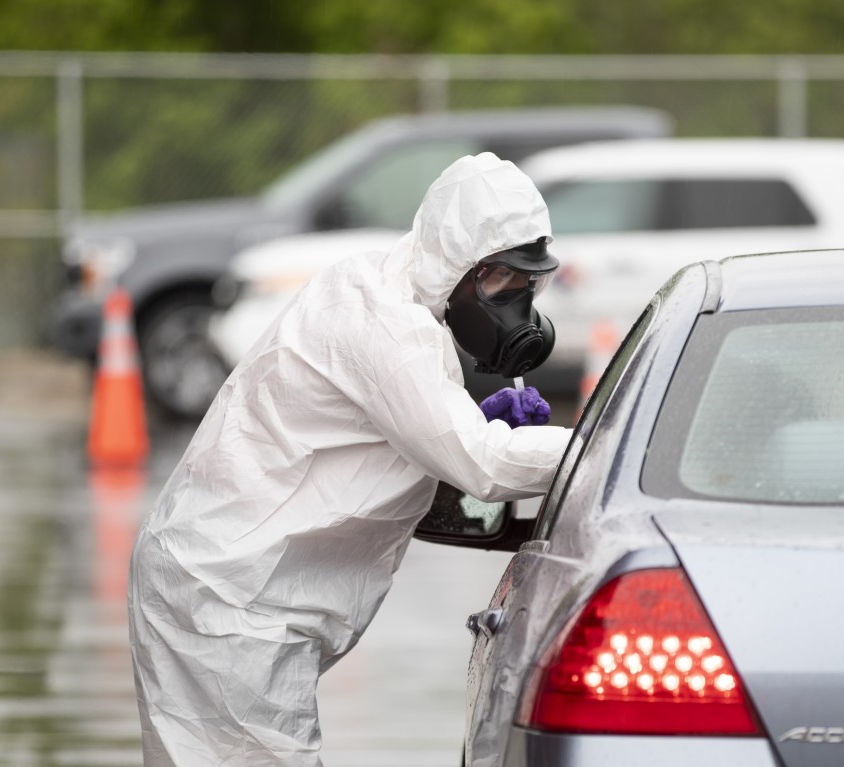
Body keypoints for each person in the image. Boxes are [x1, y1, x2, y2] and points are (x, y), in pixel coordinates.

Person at [128, 152, 573, 766]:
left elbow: (405, 444)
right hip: (229, 600)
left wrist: (471, 420)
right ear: (459, 261)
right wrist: (611, 439)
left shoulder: (392, 295)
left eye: (528, 286)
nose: (516, 304)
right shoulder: (387, 323)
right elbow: (484, 466)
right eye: (500, 281)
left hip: (230, 588)